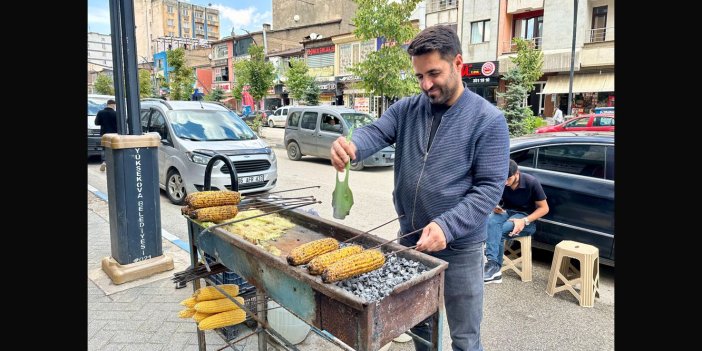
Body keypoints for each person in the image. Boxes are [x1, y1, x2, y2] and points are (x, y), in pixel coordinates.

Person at [330, 25, 509, 351]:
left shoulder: (488, 120)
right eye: (419, 77)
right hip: (411, 240)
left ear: (458, 64)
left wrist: (448, 225)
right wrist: (351, 146)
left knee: (466, 339)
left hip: (462, 249)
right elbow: (377, 132)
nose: (426, 84)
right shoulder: (407, 109)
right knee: (419, 327)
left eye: (434, 73)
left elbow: (489, 189)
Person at [484, 160, 549, 284]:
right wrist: (494, 206)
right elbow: (491, 198)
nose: (505, 182)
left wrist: (524, 220)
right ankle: (492, 264)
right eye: (503, 179)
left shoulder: (531, 182)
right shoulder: (501, 181)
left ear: (517, 173)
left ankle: (494, 267)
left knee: (500, 230)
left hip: (526, 218)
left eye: (508, 179)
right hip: (506, 212)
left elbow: (544, 208)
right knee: (491, 221)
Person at [94, 99, 118, 171]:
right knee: (114, 148)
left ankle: (104, 162)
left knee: (104, 148)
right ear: (113, 105)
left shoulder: (100, 112)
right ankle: (113, 164)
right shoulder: (116, 113)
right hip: (114, 134)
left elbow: (96, 123)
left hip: (104, 134)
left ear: (107, 104)